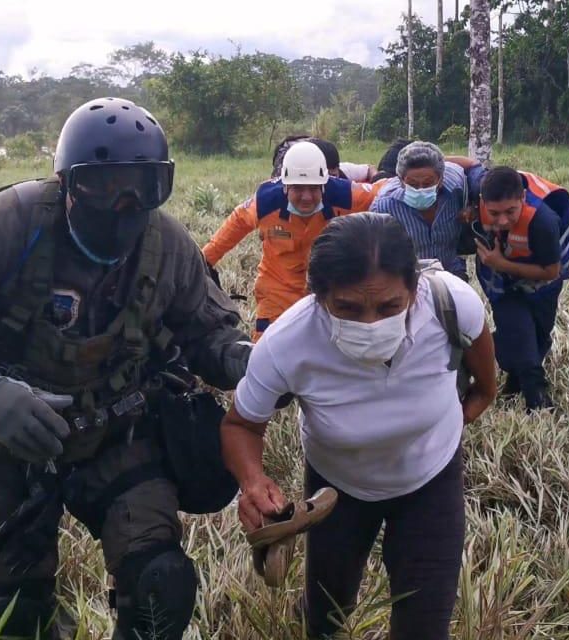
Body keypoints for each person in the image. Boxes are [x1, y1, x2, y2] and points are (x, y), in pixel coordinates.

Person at [0, 97, 253, 640]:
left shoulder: (167, 245)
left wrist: (249, 362)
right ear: (70, 183)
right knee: (18, 615)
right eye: (105, 184)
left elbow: (207, 332)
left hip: (122, 432)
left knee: (159, 587)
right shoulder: (3, 228)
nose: (125, 204)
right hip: (12, 441)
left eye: (144, 186)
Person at [220, 213, 498, 639]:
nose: (370, 325)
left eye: (389, 306)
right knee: (327, 612)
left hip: (431, 483)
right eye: (347, 308)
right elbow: (241, 423)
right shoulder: (287, 342)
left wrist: (448, 425)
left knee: (424, 624)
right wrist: (253, 481)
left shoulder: (452, 305)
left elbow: (484, 387)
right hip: (337, 491)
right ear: (318, 296)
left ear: (414, 287)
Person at [203, 141, 379, 339]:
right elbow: (233, 227)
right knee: (268, 346)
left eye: (313, 189)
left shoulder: (344, 195)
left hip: (330, 285)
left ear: (324, 184)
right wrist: (202, 263)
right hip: (278, 287)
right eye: (298, 189)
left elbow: (385, 193)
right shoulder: (266, 201)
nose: (306, 197)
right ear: (285, 186)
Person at [472, 166, 569, 410]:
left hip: (543, 284)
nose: (502, 221)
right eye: (494, 213)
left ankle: (515, 379)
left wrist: (501, 263)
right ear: (482, 203)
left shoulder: (543, 221)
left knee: (537, 337)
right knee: (519, 331)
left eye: (510, 212)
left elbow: (551, 271)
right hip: (502, 286)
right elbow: (466, 168)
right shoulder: (474, 200)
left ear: (523, 199)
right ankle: (538, 400)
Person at [368, 141, 471, 280]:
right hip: (409, 277)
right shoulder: (384, 206)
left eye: (428, 183)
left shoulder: (456, 188)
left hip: (451, 271)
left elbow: (473, 166)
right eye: (413, 184)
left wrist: (472, 208)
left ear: (441, 180)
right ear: (401, 181)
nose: (420, 189)